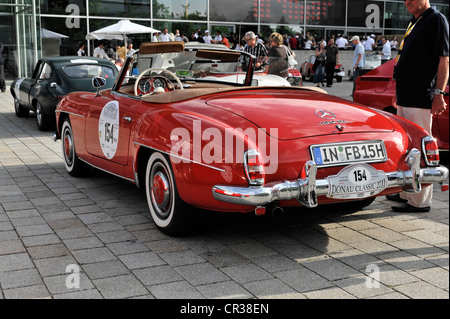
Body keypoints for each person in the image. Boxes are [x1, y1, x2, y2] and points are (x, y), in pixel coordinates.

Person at [389, 0, 449, 213]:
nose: (407, 2)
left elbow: (444, 60)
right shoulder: (415, 21)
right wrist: (397, 92)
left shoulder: (436, 19)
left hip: (421, 98)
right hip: (406, 97)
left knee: (421, 148)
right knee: (406, 148)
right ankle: (407, 192)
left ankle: (420, 201)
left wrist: (439, 94)